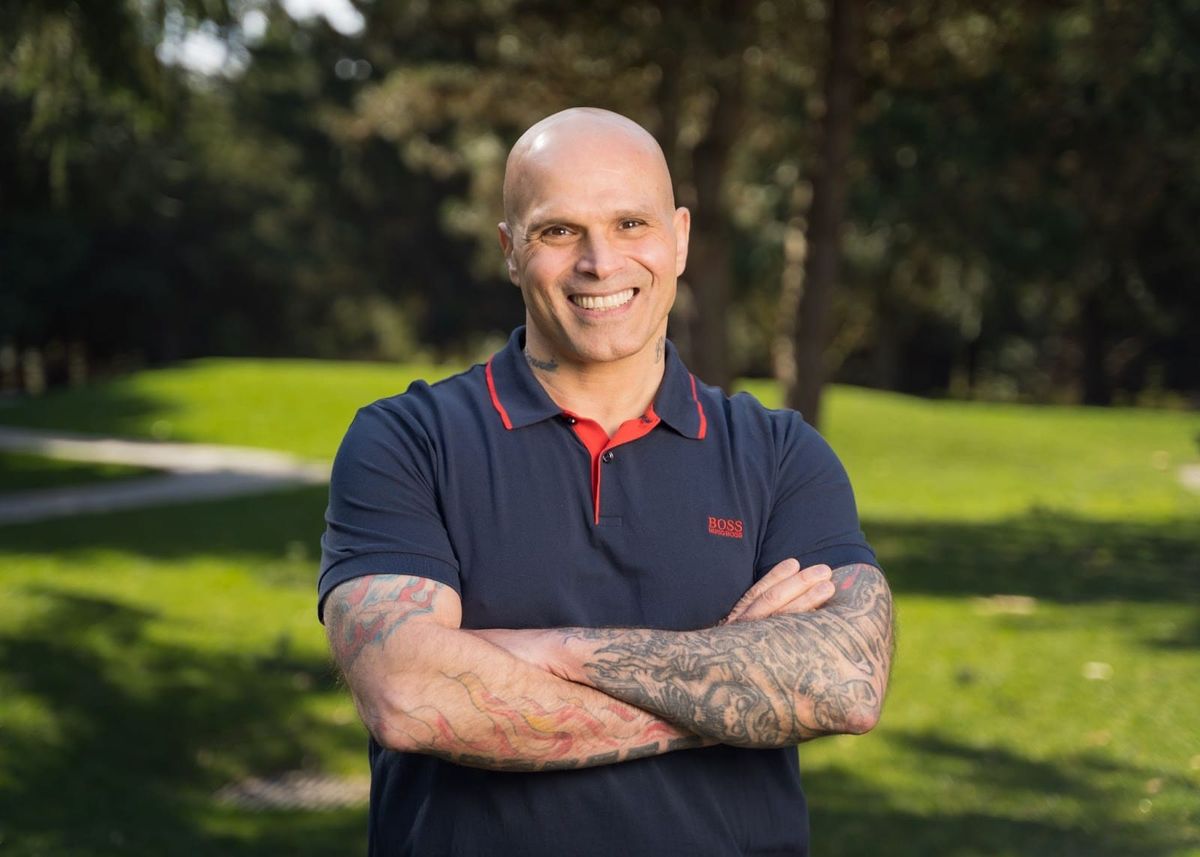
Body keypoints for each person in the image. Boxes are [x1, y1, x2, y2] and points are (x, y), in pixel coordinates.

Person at [319, 107, 894, 856]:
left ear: (680, 238)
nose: (600, 261)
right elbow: (410, 697)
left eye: (631, 223)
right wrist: (731, 680)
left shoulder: (781, 452)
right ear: (509, 249)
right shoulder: (408, 439)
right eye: (559, 230)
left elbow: (845, 681)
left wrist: (544, 652)